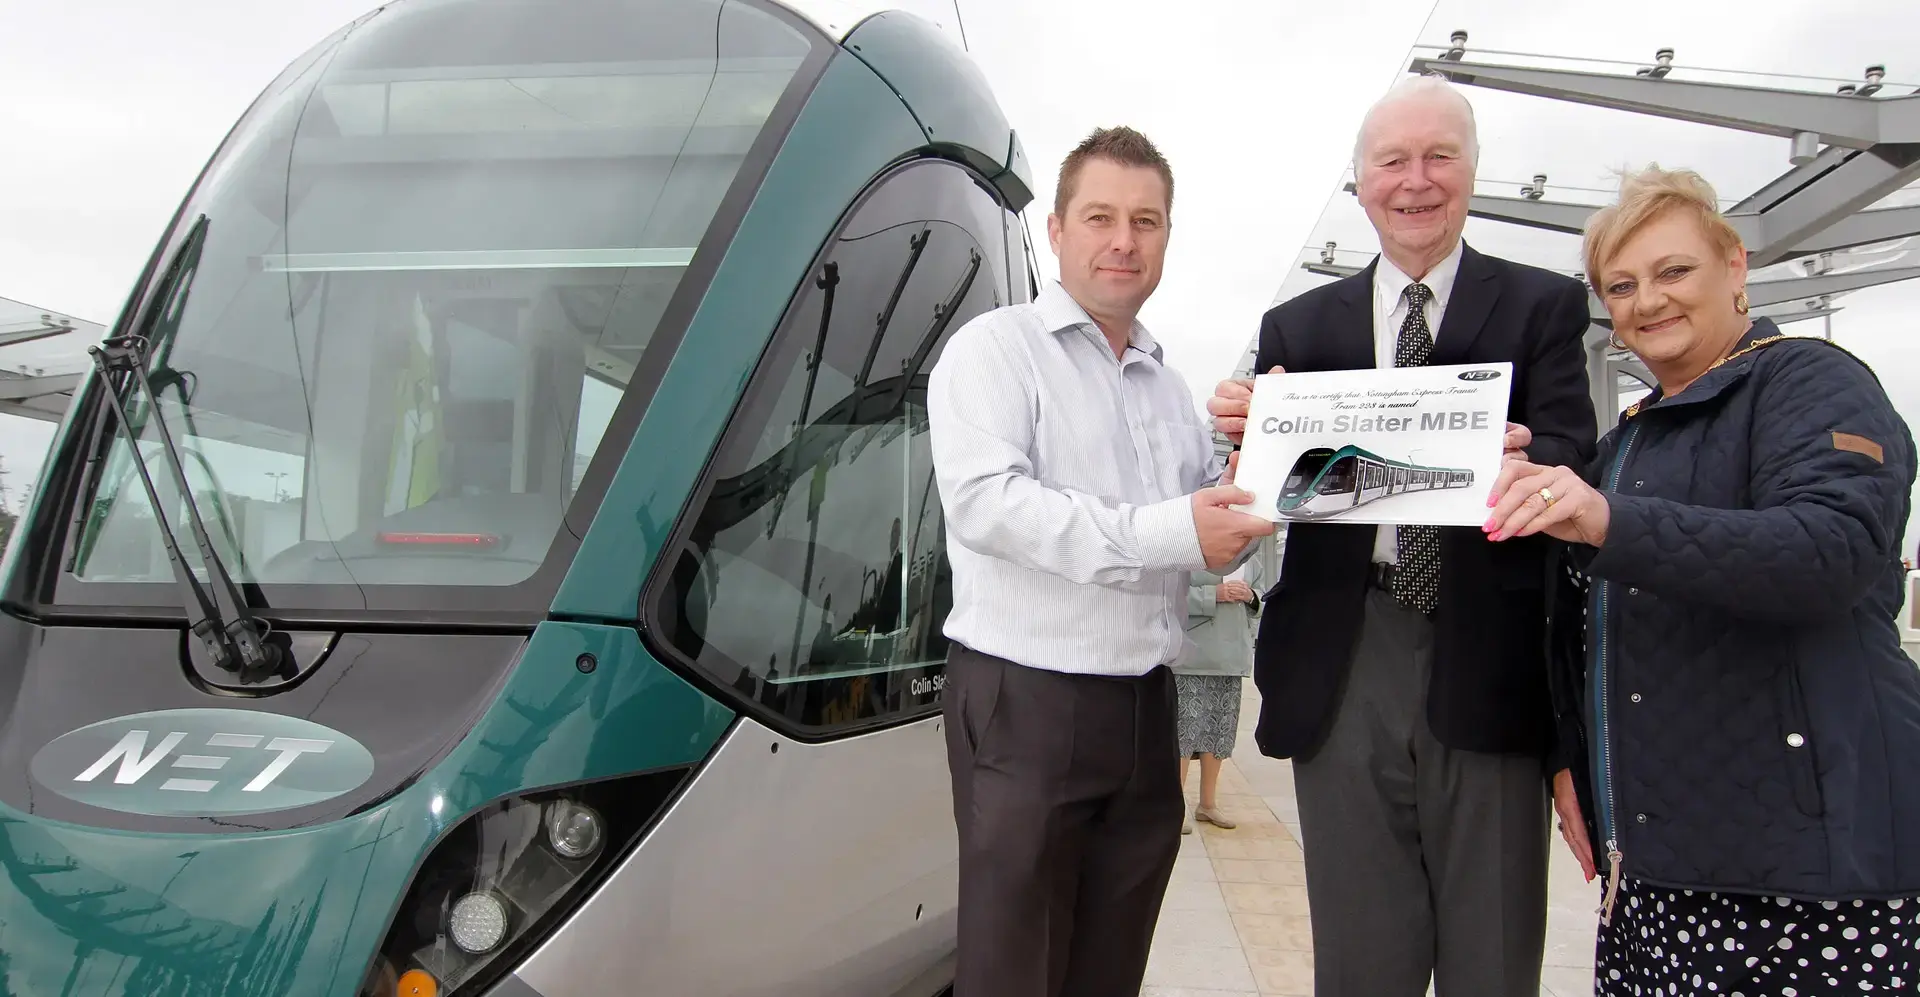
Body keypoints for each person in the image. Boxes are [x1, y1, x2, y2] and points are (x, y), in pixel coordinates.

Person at [1206, 74, 1598, 997]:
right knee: (1360, 961)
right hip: (1345, 658)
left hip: (1490, 659)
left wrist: (1525, 460)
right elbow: (1267, 489)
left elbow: (1576, 452)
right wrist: (1245, 440)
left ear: (1471, 170)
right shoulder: (1297, 329)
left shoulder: (1543, 306)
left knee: (1492, 957)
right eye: (1392, 161)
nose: (1416, 181)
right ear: (1361, 183)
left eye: (1439, 157)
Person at [1486, 163, 1920, 994]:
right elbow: (1582, 628)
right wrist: (1569, 758)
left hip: (1810, 883)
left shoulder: (1812, 381)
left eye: (1673, 271)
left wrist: (1607, 522)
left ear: (1735, 264)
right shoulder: (1628, 440)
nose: (1647, 301)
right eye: (1621, 286)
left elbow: (1830, 549)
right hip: (1658, 879)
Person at [926, 126, 1274, 997]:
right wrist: (1175, 532)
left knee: (1110, 969)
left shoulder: (1169, 385)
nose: (1124, 240)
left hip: (1147, 706)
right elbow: (988, 505)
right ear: (1056, 229)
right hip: (1028, 701)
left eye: (1146, 221)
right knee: (1015, 971)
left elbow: (1207, 515)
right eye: (1101, 217)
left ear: (1166, 237)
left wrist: (1255, 458)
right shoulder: (994, 349)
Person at [1175, 544, 1267, 834]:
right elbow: (1169, 599)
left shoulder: (1251, 560)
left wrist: (1250, 597)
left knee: (1218, 734)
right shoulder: (1188, 555)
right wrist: (1213, 594)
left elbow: (1263, 600)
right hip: (1192, 659)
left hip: (1231, 659)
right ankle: (1175, 808)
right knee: (1183, 735)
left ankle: (1208, 804)